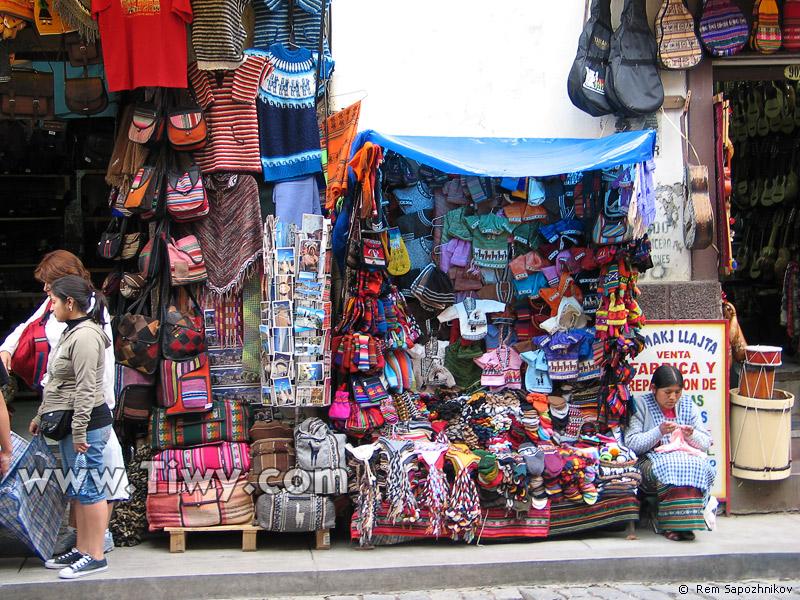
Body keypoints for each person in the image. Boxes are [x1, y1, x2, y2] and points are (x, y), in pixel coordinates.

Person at [0, 250, 127, 554]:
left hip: (86, 409)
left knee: (98, 478)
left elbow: (95, 373)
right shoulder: (55, 306)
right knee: (81, 481)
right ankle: (84, 544)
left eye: (48, 283)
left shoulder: (89, 315)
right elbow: (24, 333)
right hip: (65, 408)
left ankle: (95, 546)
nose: (44, 290)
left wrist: (97, 412)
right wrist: (7, 351)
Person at [31, 276, 111, 577]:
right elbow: (57, 383)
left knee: (90, 487)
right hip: (69, 422)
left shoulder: (86, 336)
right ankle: (81, 549)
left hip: (86, 425)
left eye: (54, 301)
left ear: (69, 303)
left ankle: (96, 555)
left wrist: (79, 432)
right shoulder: (71, 332)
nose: (50, 308)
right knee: (77, 488)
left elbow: (86, 388)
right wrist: (41, 416)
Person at [623, 365, 715, 541]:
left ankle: (687, 523)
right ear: (653, 389)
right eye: (668, 392)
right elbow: (632, 443)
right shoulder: (640, 405)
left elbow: (704, 443)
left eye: (678, 392)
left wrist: (691, 435)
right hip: (649, 460)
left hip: (685, 456)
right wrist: (659, 431)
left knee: (696, 465)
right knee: (671, 465)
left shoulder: (687, 405)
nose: (673, 397)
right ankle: (672, 525)